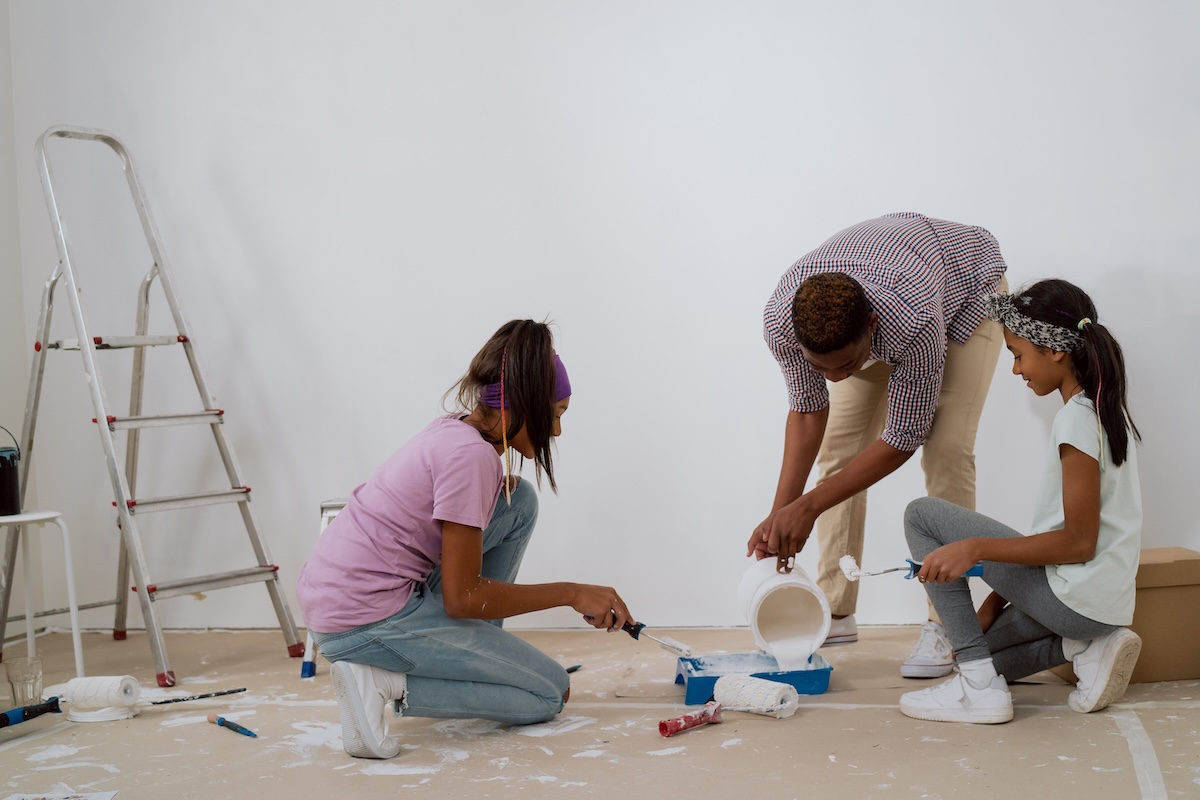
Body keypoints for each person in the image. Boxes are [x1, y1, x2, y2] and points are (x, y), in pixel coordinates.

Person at [296, 319, 634, 759]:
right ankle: (380, 682)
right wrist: (571, 593)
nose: (556, 431)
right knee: (549, 694)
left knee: (520, 502)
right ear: (524, 404)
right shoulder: (472, 458)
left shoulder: (453, 431)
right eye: (555, 414)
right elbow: (463, 597)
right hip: (362, 619)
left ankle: (470, 647)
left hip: (340, 596)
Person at [751, 212, 1008, 677]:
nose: (834, 379)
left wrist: (806, 509)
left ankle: (947, 622)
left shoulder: (911, 320)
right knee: (839, 450)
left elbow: (903, 437)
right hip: (891, 283)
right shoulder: (781, 323)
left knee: (946, 449)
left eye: (846, 364)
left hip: (968, 287)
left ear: (871, 326)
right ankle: (836, 607)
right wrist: (780, 516)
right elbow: (810, 411)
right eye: (821, 367)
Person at [899, 279, 1142, 724]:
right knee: (981, 651)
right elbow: (1068, 538)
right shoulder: (1101, 412)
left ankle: (976, 688)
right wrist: (994, 601)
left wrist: (974, 548)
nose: (1015, 369)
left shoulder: (1076, 422)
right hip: (1096, 609)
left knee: (921, 515)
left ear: (1054, 350)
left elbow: (1077, 543)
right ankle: (1080, 648)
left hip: (1075, 601)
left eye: (1017, 353)